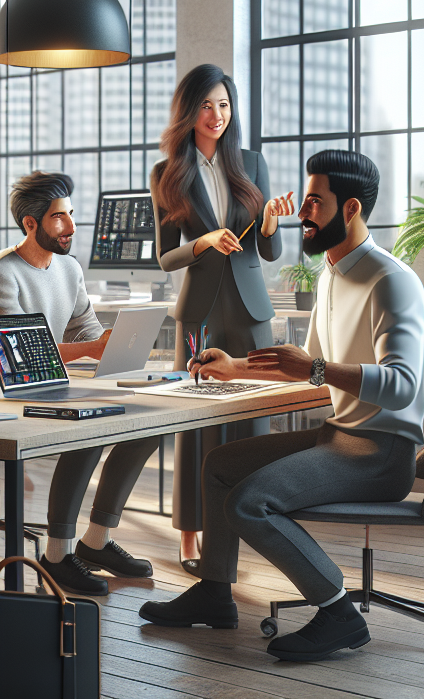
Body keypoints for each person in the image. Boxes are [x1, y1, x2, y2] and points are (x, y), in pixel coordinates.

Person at [139, 150, 424, 662]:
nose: (303, 212)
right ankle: (215, 592)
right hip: (339, 435)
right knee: (220, 465)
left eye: (316, 201)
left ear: (351, 209)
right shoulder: (331, 273)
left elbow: (402, 386)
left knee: (249, 502)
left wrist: (315, 368)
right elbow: (306, 368)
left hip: (380, 453)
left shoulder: (391, 280)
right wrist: (236, 367)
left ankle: (338, 612)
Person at [0, 171, 156, 596]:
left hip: (50, 382)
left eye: (71, 214)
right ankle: (56, 555)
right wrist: (93, 348)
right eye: (59, 217)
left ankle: (96, 542)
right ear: (30, 223)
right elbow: (21, 352)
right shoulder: (0, 275)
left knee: (151, 424)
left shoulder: (69, 269)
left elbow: (84, 329)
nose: (71, 225)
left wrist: (116, 347)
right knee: (88, 424)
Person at [150, 64, 293, 572]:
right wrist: (203, 242)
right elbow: (165, 257)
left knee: (254, 417)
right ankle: (190, 536)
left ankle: (251, 524)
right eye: (207, 105)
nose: (217, 115)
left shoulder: (252, 163)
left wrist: (270, 221)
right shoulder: (167, 173)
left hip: (252, 308)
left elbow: (271, 251)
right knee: (196, 423)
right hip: (200, 312)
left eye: (224, 105)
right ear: (189, 111)